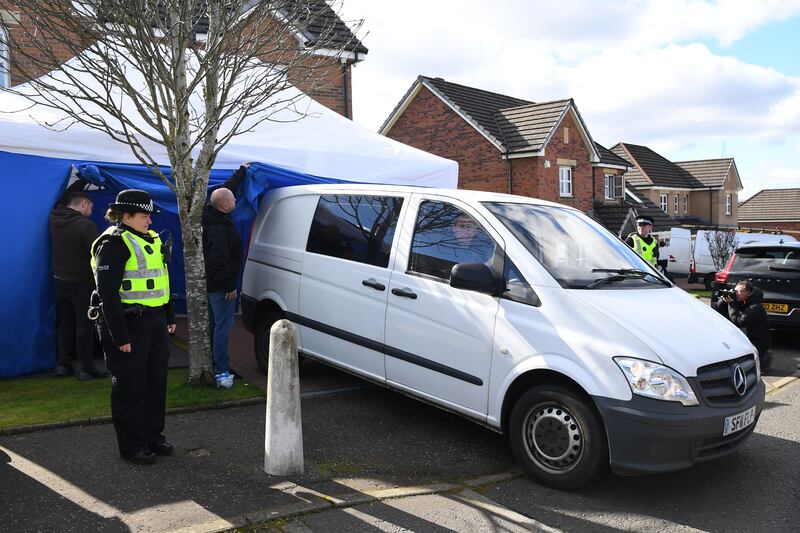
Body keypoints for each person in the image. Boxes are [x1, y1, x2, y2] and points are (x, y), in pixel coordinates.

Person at [91, 189, 176, 465]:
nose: (149, 220)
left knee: (155, 384)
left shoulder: (150, 238)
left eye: (150, 216)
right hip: (128, 324)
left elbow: (162, 280)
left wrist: (170, 316)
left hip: (154, 323)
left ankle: (153, 437)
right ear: (125, 216)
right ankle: (132, 446)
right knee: (130, 388)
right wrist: (120, 336)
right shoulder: (113, 243)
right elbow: (107, 293)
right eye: (144, 215)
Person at [49, 187, 105, 379]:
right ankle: (87, 368)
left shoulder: (54, 218)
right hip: (82, 282)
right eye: (91, 207)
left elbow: (61, 200)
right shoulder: (85, 226)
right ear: (84, 204)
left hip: (60, 280)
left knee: (65, 322)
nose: (91, 211)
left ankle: (62, 365)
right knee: (85, 325)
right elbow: (99, 254)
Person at [203, 164, 247, 388]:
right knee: (222, 326)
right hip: (221, 286)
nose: (236, 202)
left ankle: (213, 364)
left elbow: (224, 191)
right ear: (224, 206)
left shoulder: (211, 214)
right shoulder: (219, 228)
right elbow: (219, 259)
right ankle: (221, 371)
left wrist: (240, 172)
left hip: (212, 284)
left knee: (214, 325)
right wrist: (229, 285)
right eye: (233, 201)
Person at [713, 280, 772, 370]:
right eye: (735, 291)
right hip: (746, 338)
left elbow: (739, 321)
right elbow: (718, 310)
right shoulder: (741, 302)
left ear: (748, 293)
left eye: (740, 291)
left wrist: (731, 304)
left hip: (757, 342)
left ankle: (763, 359)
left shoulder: (756, 307)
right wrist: (724, 299)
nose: (736, 294)